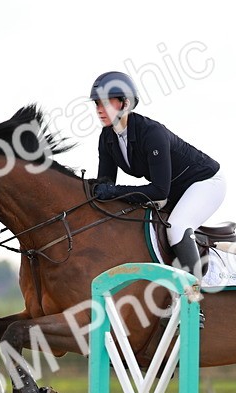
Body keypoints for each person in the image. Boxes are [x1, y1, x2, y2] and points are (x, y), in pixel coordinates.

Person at [89, 71, 225, 300]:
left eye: (106, 103)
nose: (100, 109)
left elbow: (159, 192)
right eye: (97, 104)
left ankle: (193, 301)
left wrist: (113, 191)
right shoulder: (107, 137)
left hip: (205, 183)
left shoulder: (152, 133)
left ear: (125, 103)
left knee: (177, 226)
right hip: (174, 190)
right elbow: (105, 186)